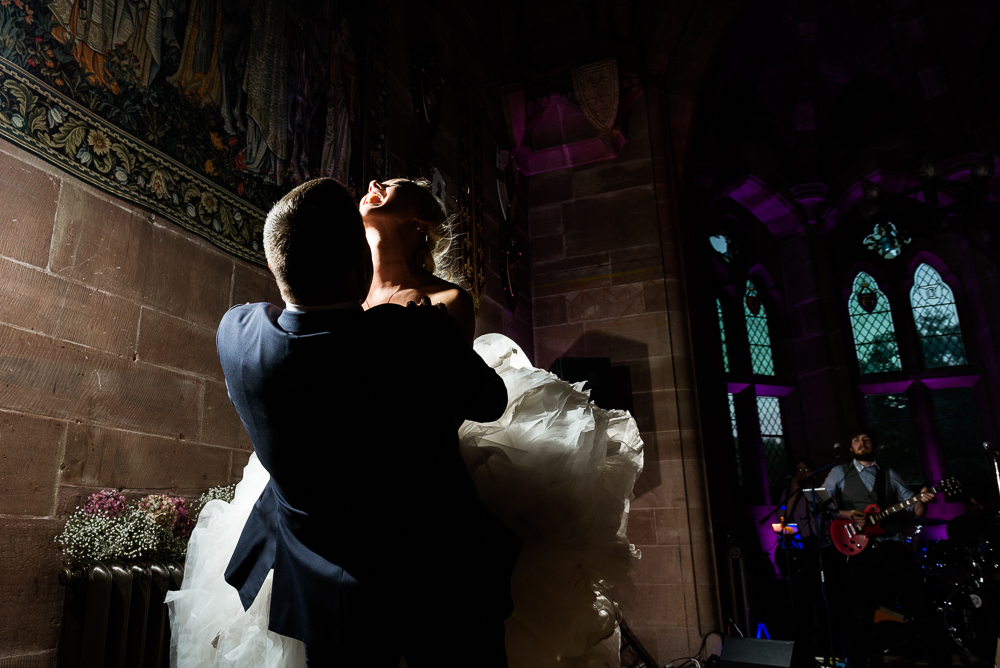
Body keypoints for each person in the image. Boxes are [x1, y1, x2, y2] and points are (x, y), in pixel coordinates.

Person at [169, 177, 644, 668]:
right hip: (414, 554)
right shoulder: (414, 332)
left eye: (396, 185)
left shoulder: (238, 330)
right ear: (354, 263)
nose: (374, 184)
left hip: (335, 555)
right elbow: (485, 396)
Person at [822, 430, 945, 667]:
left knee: (920, 603)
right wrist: (848, 513)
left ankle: (938, 658)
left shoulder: (888, 474)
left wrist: (922, 500)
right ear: (850, 448)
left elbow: (914, 509)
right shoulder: (839, 472)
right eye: (856, 440)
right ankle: (859, 661)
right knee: (860, 612)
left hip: (892, 545)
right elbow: (820, 504)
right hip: (859, 549)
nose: (861, 443)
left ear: (873, 445)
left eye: (865, 439)